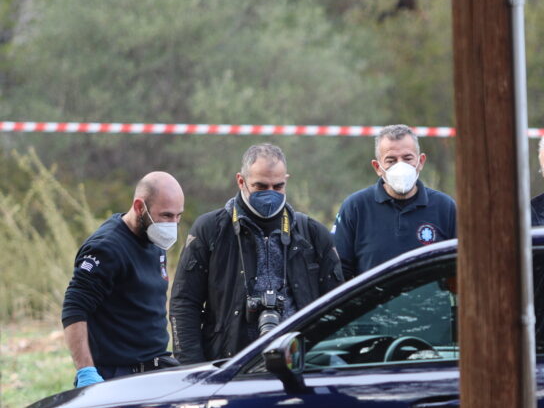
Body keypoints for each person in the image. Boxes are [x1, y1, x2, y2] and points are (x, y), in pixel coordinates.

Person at [170, 143, 342, 364]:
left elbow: (335, 304)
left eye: (278, 186)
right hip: (229, 364)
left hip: (299, 363)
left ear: (286, 180)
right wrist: (192, 369)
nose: (270, 194)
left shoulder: (313, 234)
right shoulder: (211, 230)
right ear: (241, 181)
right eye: (260, 186)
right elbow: (184, 302)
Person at [61, 172, 185, 387]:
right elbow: (74, 309)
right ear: (139, 207)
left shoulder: (154, 238)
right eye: (166, 215)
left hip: (154, 369)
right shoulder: (107, 247)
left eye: (178, 216)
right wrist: (87, 372)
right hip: (116, 376)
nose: (172, 224)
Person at [331, 124, 456, 280]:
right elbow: (339, 271)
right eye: (391, 160)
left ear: (421, 161)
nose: (400, 165)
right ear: (377, 167)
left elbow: (460, 266)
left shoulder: (445, 207)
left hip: (431, 304)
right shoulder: (355, 208)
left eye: (407, 158)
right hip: (376, 304)